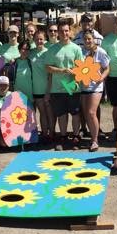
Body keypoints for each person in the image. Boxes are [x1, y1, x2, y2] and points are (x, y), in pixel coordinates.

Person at [45, 21, 84, 150]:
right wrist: (61, 71)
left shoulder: (76, 49)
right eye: (61, 31)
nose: (64, 33)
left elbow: (82, 68)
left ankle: (76, 137)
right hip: (58, 88)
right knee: (61, 114)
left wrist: (75, 73)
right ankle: (62, 137)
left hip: (73, 86)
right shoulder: (52, 49)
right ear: (58, 33)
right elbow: (48, 68)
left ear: (70, 32)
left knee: (75, 113)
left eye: (66, 30)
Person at [78, 29, 110, 151]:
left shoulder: (100, 52)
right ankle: (92, 137)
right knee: (87, 114)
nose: (87, 41)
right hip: (83, 87)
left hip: (96, 87)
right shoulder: (80, 52)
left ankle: (95, 140)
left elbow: (107, 68)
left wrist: (101, 78)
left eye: (89, 39)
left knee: (91, 112)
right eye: (85, 39)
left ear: (93, 39)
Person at [30, 30, 53, 143]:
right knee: (42, 113)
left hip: (47, 88)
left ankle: (52, 134)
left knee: (50, 113)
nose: (39, 41)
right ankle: (44, 134)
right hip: (36, 89)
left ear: (45, 40)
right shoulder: (31, 53)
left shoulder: (48, 52)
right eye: (37, 39)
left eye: (41, 39)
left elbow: (51, 74)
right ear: (33, 40)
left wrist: (48, 91)